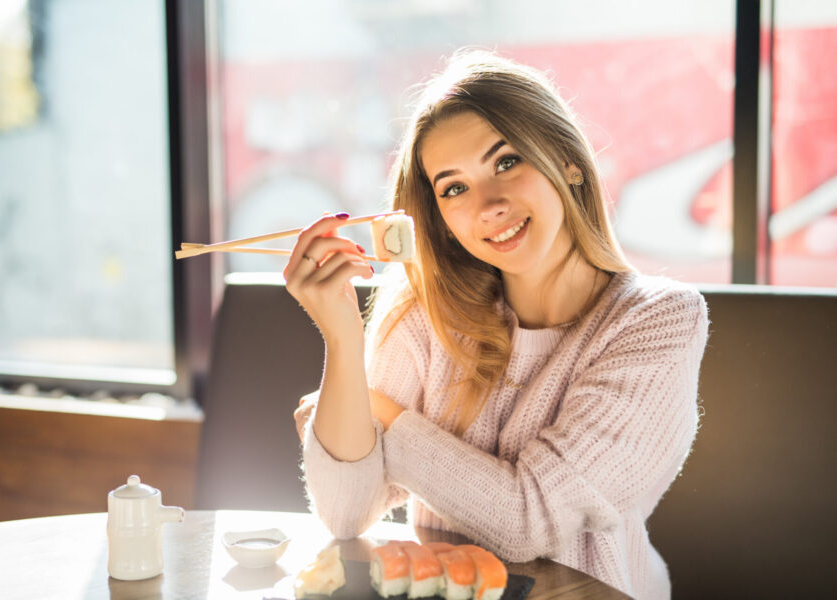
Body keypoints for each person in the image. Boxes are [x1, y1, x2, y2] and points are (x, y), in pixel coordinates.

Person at [284, 49, 708, 600]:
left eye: (506, 162)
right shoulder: (425, 313)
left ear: (569, 161)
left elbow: (529, 519)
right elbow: (345, 514)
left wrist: (381, 414)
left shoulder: (658, 320)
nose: (487, 205)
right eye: (454, 188)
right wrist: (341, 335)